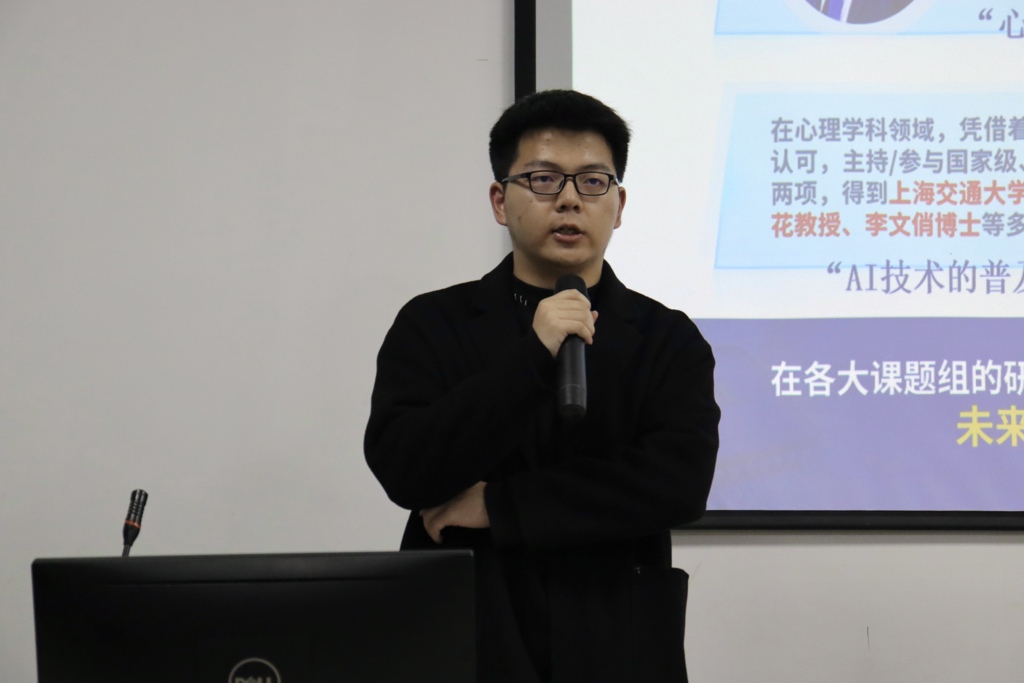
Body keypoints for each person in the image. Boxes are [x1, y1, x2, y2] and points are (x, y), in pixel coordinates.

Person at [364, 90, 719, 683]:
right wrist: (532, 356)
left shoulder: (666, 338)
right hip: (467, 629)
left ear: (619, 205)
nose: (570, 200)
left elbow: (678, 483)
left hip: (614, 632)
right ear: (500, 201)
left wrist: (501, 507)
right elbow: (404, 468)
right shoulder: (433, 323)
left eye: (593, 182)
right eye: (544, 179)